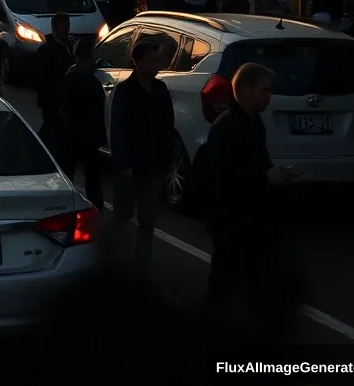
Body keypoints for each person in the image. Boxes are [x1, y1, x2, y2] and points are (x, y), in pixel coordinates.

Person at [194, 62, 304, 340]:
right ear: (244, 90)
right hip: (230, 221)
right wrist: (266, 178)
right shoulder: (226, 128)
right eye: (264, 90)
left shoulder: (255, 124)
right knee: (224, 283)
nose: (269, 97)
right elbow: (224, 177)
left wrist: (277, 174)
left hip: (252, 219)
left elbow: (258, 163)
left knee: (245, 282)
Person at [109, 38, 175, 274]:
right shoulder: (125, 92)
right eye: (152, 60)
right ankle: (117, 261)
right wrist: (124, 164)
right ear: (138, 63)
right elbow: (117, 130)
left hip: (154, 166)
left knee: (148, 219)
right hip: (130, 168)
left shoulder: (160, 90)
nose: (157, 65)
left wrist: (167, 161)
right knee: (123, 216)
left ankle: (141, 264)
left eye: (158, 59)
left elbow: (168, 127)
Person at [57, 38, 107, 209]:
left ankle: (65, 204)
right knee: (92, 176)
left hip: (73, 131)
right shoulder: (93, 81)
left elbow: (63, 104)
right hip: (89, 134)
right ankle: (96, 207)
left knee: (68, 171)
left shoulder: (71, 77)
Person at [35, 11, 74, 138]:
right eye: (65, 27)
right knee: (52, 129)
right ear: (54, 28)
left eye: (68, 26)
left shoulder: (70, 45)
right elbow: (43, 80)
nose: (67, 30)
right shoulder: (46, 51)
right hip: (52, 101)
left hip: (65, 98)